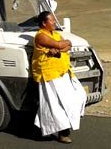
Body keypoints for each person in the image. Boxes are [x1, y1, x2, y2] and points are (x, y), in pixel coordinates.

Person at [31, 11, 86, 144]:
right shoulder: (40, 36)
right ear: (44, 23)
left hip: (63, 72)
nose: (55, 23)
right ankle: (63, 133)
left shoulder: (55, 34)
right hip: (50, 74)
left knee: (79, 96)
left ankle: (46, 128)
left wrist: (60, 48)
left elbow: (68, 44)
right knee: (56, 105)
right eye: (52, 21)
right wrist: (62, 45)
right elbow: (62, 44)